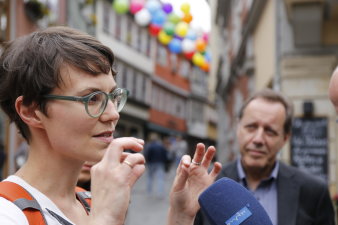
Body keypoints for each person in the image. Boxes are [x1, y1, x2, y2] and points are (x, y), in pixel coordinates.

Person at [0, 26, 222, 225]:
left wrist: (180, 216)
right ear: (31, 111)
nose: (113, 114)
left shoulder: (90, 201)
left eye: (113, 96)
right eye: (92, 98)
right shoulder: (8, 212)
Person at [194, 89, 335, 225]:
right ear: (238, 128)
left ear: (285, 138)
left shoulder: (314, 192)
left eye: (270, 131)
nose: (258, 139)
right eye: (251, 127)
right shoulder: (208, 187)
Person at [144, 132, 168, 197]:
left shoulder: (149, 146)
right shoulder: (161, 146)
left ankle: (149, 192)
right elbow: (165, 155)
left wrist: (147, 163)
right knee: (160, 178)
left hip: (151, 163)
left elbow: (147, 155)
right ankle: (160, 193)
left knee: (150, 178)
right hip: (160, 163)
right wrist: (164, 162)